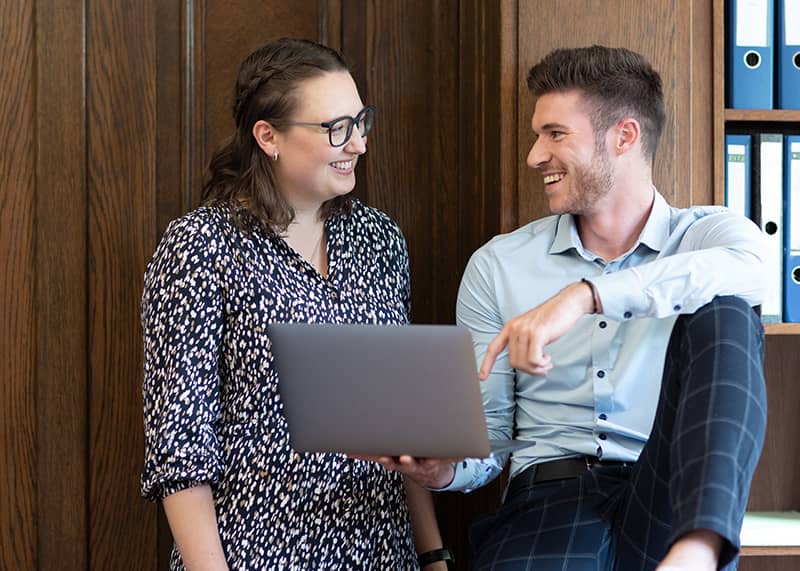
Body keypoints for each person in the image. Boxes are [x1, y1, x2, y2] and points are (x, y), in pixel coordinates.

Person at [371, 46, 768, 570]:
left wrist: (584, 295)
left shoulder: (707, 235)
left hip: (671, 499)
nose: (535, 155)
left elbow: (756, 272)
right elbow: (487, 438)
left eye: (555, 134)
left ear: (624, 136)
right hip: (548, 500)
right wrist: (444, 470)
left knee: (728, 314)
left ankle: (699, 553)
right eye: (538, 135)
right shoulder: (498, 264)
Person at [140, 37, 450, 570]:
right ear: (268, 136)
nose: (359, 145)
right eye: (336, 128)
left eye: (361, 121)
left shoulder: (379, 240)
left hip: (382, 548)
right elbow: (180, 445)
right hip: (256, 551)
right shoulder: (201, 246)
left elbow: (401, 422)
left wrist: (433, 554)